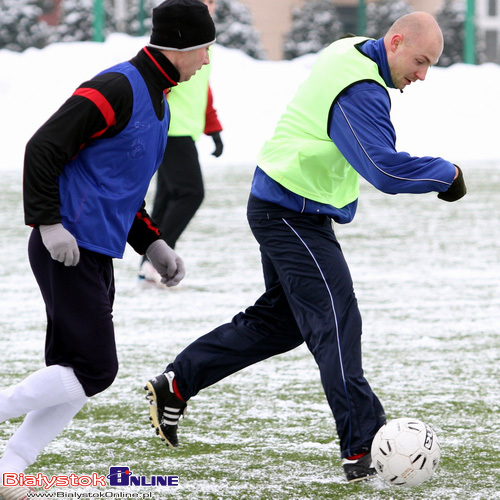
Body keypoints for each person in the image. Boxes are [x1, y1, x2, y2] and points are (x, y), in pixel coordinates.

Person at [144, 12, 467, 483]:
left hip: (284, 201)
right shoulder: (361, 89)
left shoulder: (351, 48)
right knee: (336, 318)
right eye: (420, 61)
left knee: (281, 322)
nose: (422, 75)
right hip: (289, 212)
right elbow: (385, 170)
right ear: (395, 42)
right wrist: (448, 174)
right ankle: (362, 446)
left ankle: (177, 383)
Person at [0, 1, 215, 499]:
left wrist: (153, 241)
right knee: (96, 370)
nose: (206, 60)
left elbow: (121, 189)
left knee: (74, 372)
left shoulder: (161, 99)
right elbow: (43, 147)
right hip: (67, 245)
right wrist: (49, 224)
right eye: (204, 48)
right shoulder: (118, 86)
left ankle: (12, 464)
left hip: (96, 250)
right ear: (181, 45)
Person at [139, 0, 223, 285]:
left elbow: (203, 88)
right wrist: (150, 126)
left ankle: (149, 263)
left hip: (184, 131)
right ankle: (159, 260)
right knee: (190, 193)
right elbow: (154, 84)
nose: (210, 5)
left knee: (167, 195)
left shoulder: (203, 44)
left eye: (212, 1)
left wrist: (213, 128)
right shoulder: (176, 42)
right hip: (170, 130)